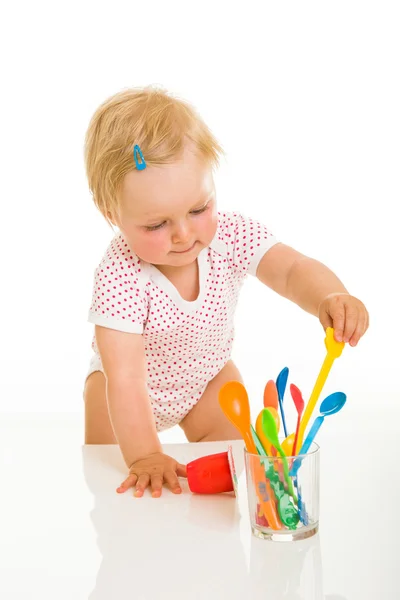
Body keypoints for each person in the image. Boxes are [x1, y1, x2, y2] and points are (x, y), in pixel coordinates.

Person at [83, 86, 369, 499]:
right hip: (123, 394)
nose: (183, 234)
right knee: (112, 486)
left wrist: (330, 296)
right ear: (111, 213)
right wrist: (145, 453)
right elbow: (124, 377)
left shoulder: (231, 235)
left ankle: (220, 544)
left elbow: (290, 270)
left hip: (207, 378)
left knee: (238, 469)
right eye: (156, 225)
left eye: (198, 210)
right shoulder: (120, 276)